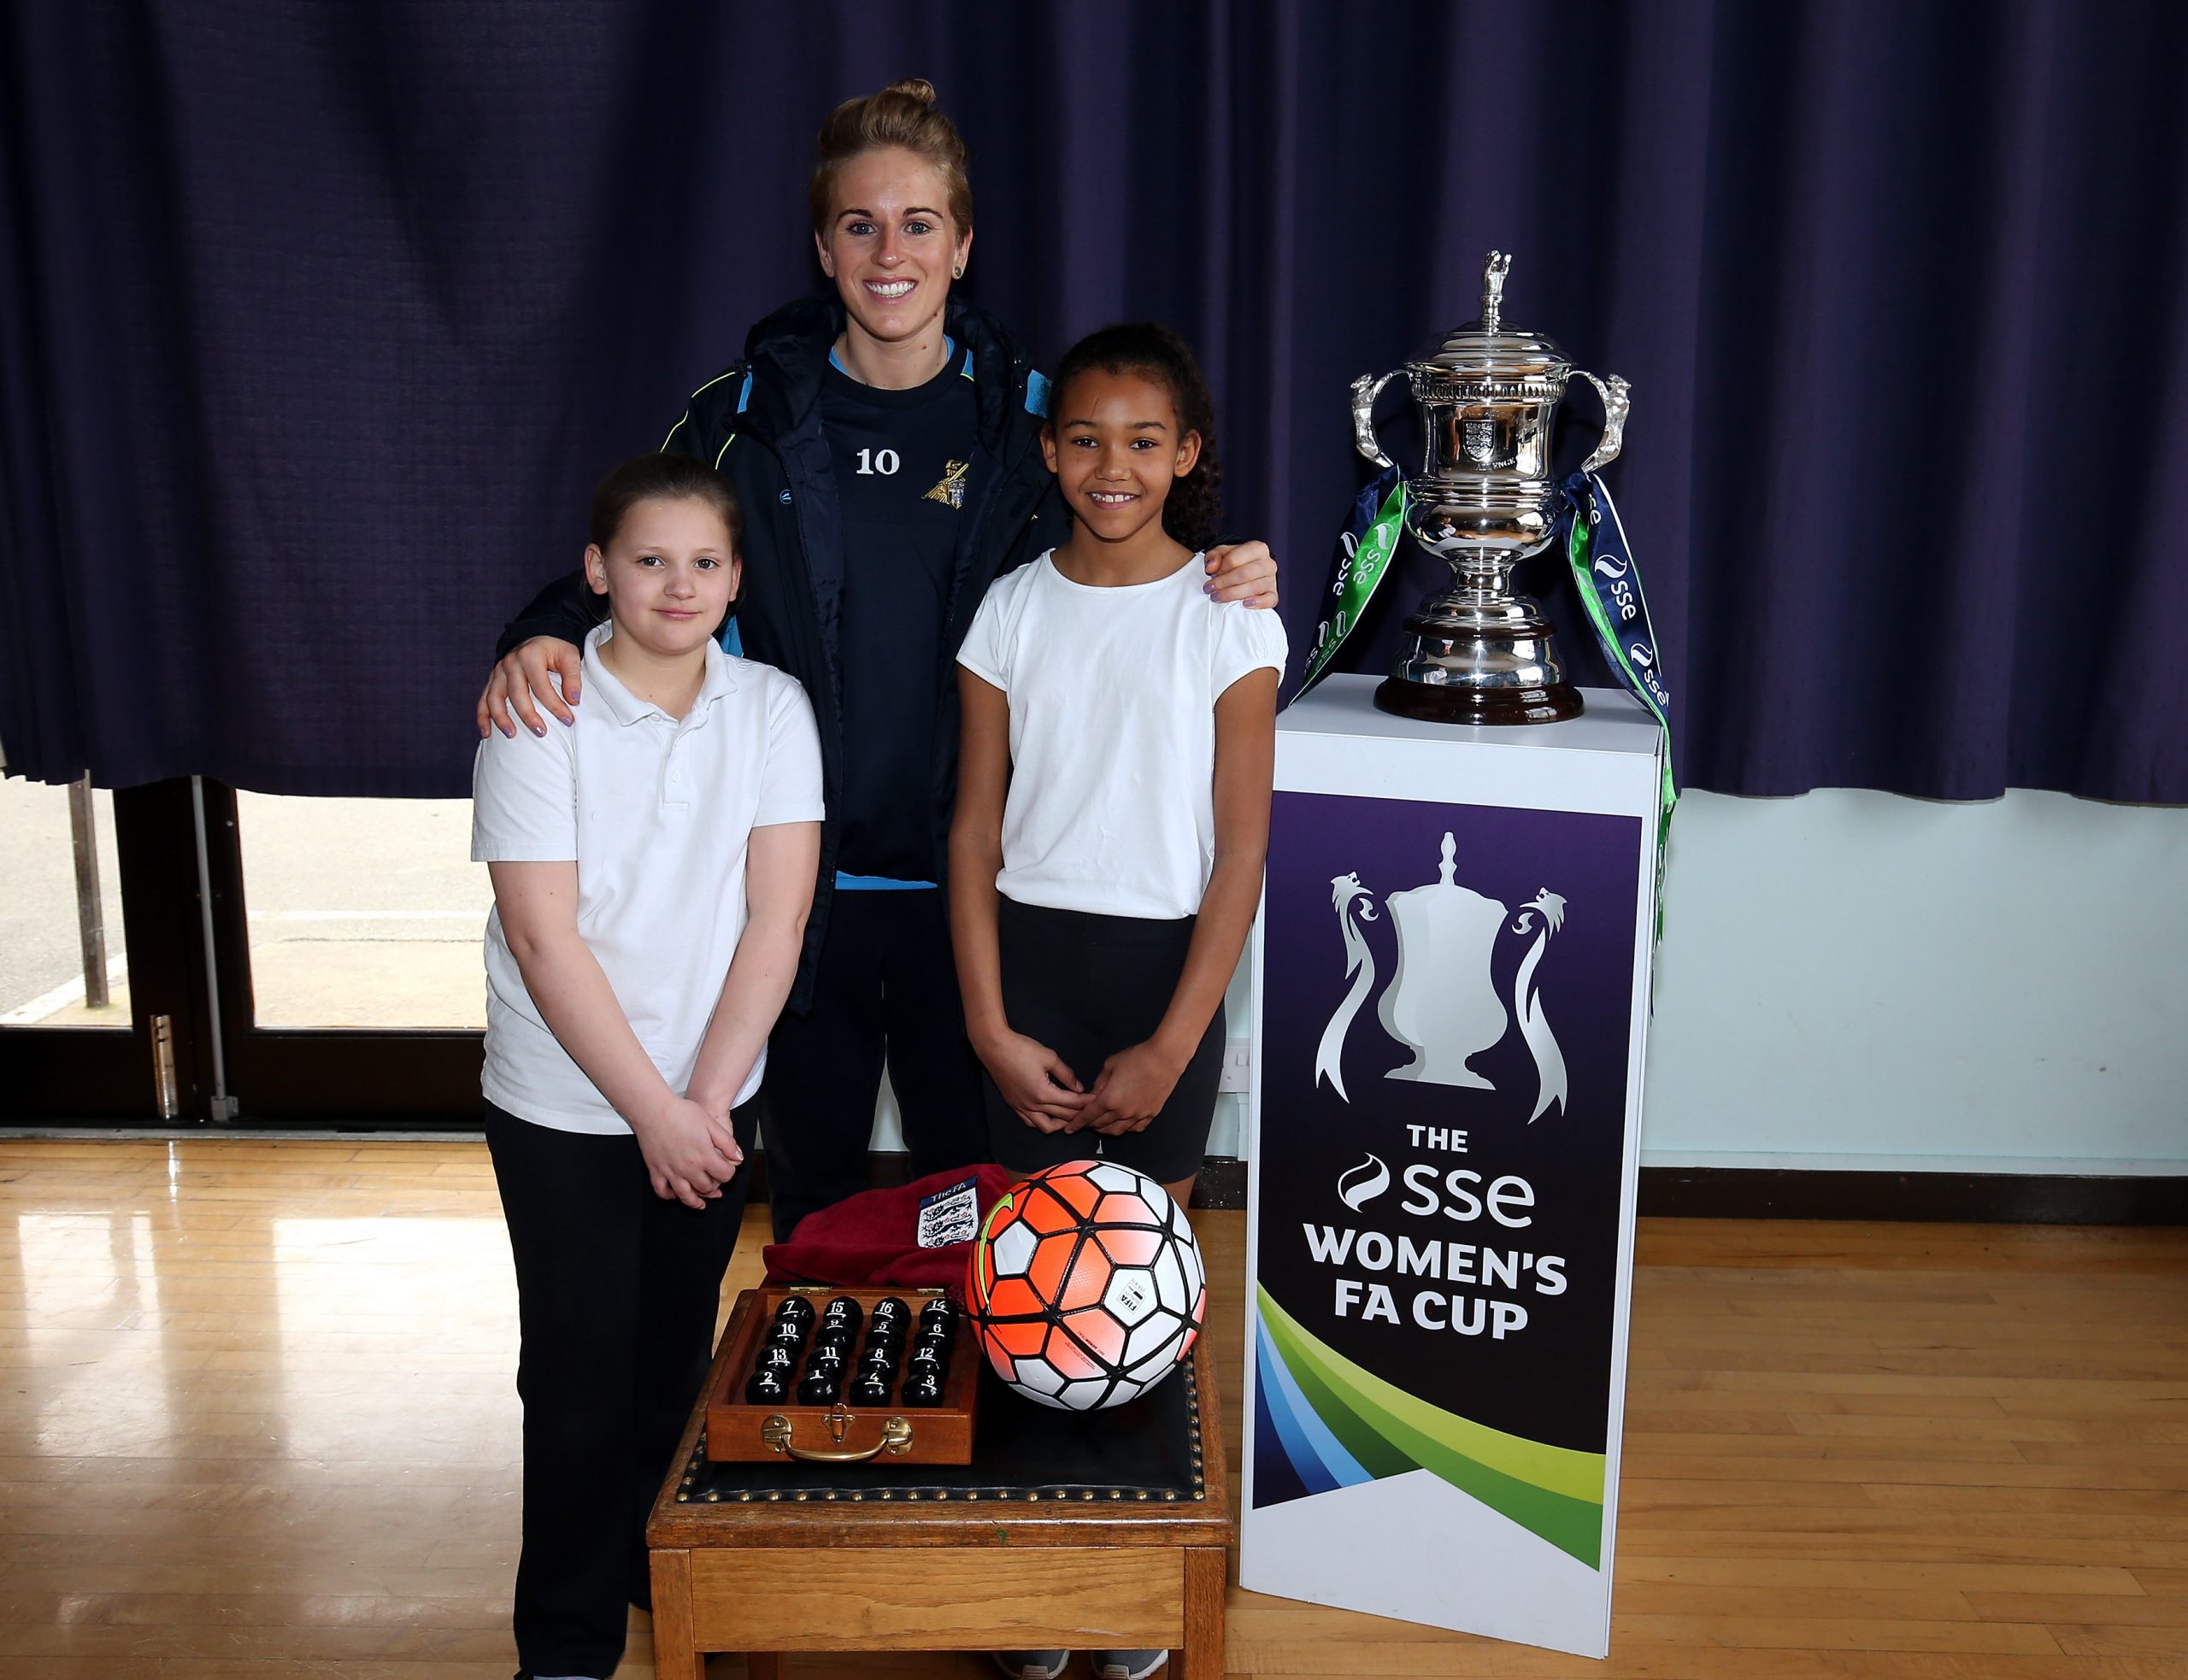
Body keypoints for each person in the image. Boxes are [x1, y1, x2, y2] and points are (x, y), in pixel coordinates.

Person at [474, 80, 1279, 1243]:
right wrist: (539, 628)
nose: (888, 252)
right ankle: (820, 1426)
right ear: (823, 247)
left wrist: (1233, 563)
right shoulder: (741, 418)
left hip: (979, 902)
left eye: (916, 225)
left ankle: (961, 1430)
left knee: (979, 1217)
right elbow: (647, 542)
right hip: (794, 905)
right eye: (860, 225)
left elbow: (1134, 536)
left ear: (962, 246)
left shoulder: (1032, 420)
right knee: (812, 1207)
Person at [949, 324, 1282, 1680]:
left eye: (1145, 440)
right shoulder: (1010, 610)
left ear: (1187, 454)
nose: (1111, 465)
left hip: (1165, 981)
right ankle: (1034, 1584)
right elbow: (971, 833)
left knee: (1144, 1298)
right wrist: (983, 1022)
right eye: (1084, 437)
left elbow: (1245, 848)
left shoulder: (1229, 612)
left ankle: (1138, 1576)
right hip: (1029, 964)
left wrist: (1171, 1041)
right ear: (1048, 447)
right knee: (1025, 1291)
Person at [472, 453, 822, 1680]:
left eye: (705, 563)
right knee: (573, 1374)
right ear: (596, 572)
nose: (679, 585)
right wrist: (652, 1116)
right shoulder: (538, 713)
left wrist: (704, 1102)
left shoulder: (773, 708)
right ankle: (564, 1641)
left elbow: (775, 919)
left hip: (708, 1097)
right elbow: (541, 934)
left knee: (675, 1360)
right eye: (650, 559)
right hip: (565, 1102)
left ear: (736, 580)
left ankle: (654, 1568)